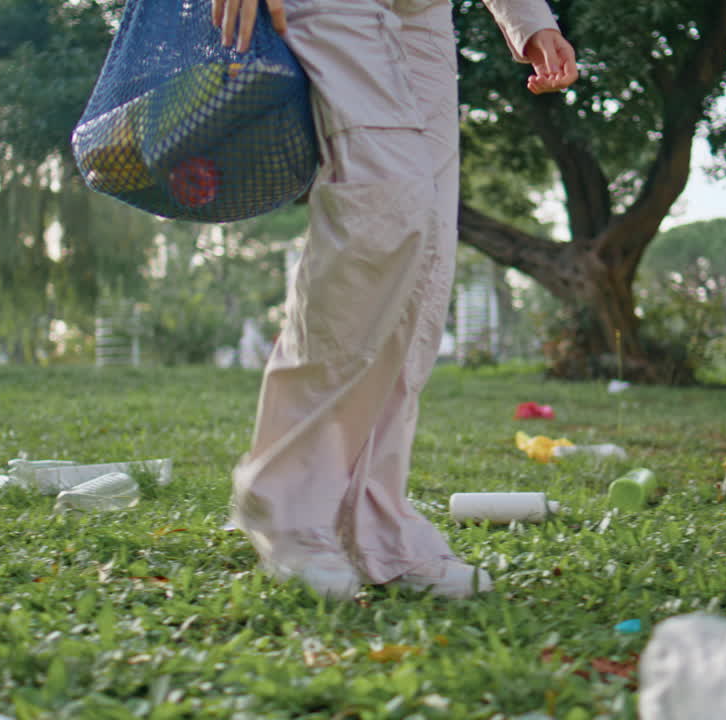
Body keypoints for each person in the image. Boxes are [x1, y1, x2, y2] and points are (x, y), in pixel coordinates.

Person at [213, 0, 577, 599]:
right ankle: (288, 505)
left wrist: (529, 18)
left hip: (423, 15)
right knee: (383, 213)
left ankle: (375, 529)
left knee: (428, 252)